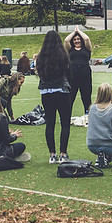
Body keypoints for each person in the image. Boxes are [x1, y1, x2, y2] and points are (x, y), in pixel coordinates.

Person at [38, 30, 73, 164]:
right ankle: (63, 153)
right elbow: (69, 74)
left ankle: (52, 154)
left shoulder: (41, 56)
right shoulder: (63, 55)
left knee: (50, 123)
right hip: (62, 90)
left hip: (46, 92)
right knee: (65, 123)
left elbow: (40, 73)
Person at [64, 25, 93, 121]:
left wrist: (79, 31)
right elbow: (66, 41)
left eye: (78, 39)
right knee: (70, 96)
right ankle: (66, 115)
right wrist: (74, 32)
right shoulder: (70, 49)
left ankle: (88, 114)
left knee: (86, 95)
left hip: (85, 75)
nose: (77, 41)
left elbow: (87, 39)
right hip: (72, 75)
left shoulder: (86, 49)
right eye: (75, 40)